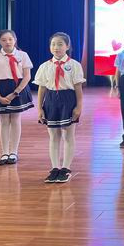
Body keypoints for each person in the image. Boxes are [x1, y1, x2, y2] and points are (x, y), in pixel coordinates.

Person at [33, 32, 85, 183]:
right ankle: (55, 168)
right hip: (51, 101)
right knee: (53, 136)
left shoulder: (74, 65)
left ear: (67, 46)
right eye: (53, 44)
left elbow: (78, 88)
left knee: (68, 135)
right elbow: (42, 88)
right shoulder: (45, 66)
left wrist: (79, 107)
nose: (56, 47)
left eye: (60, 44)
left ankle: (66, 168)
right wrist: (39, 108)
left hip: (68, 100)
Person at [0, 29, 34, 165]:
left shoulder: (23, 55)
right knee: (4, 121)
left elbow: (27, 77)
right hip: (1, 89)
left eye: (10, 39)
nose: (7, 42)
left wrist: (15, 93)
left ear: (15, 40)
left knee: (15, 119)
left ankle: (14, 152)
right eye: (4, 40)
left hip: (18, 88)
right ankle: (4, 153)